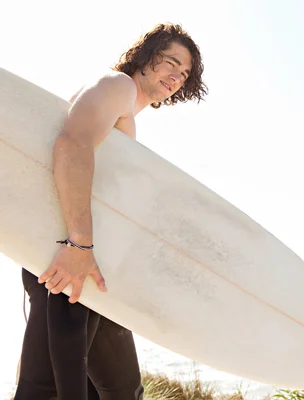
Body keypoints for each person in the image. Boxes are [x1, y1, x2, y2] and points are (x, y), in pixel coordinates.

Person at [15, 23, 208, 400]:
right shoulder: (117, 86)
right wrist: (79, 245)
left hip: (91, 266)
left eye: (184, 73)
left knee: (122, 389)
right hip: (69, 257)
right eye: (171, 62)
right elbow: (72, 144)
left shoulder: (127, 115)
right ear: (146, 56)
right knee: (46, 389)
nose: (177, 76)